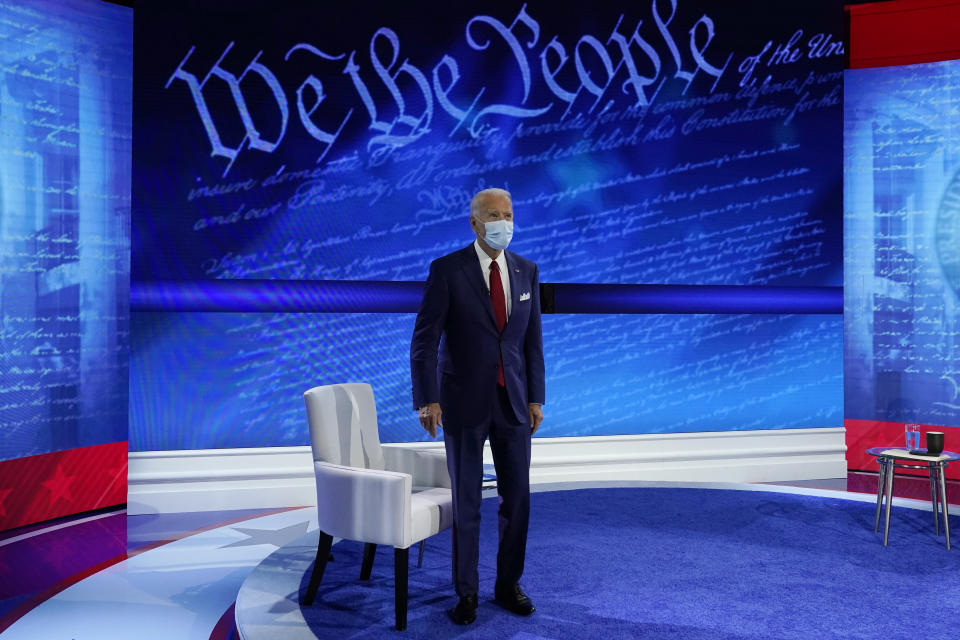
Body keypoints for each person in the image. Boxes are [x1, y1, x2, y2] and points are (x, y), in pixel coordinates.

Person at [410, 187, 545, 625]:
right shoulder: (447, 270)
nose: (503, 222)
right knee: (467, 504)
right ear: (474, 223)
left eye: (508, 214)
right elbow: (424, 342)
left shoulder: (526, 271)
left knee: (517, 500)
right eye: (493, 215)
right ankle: (465, 593)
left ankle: (508, 585)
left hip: (513, 405)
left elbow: (531, 342)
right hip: (463, 403)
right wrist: (427, 398)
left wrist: (535, 396)